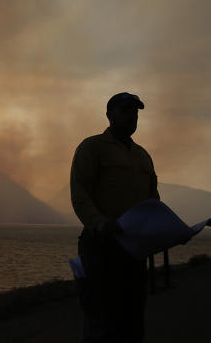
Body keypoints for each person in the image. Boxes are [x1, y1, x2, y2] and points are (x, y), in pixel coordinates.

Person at [70, 92, 159, 343]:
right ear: (109, 115)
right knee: (101, 320)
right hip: (100, 248)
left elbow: (153, 200)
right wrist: (99, 223)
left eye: (136, 112)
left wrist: (163, 230)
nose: (133, 116)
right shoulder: (92, 148)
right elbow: (80, 193)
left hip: (133, 250)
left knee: (132, 319)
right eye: (126, 111)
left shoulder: (143, 156)